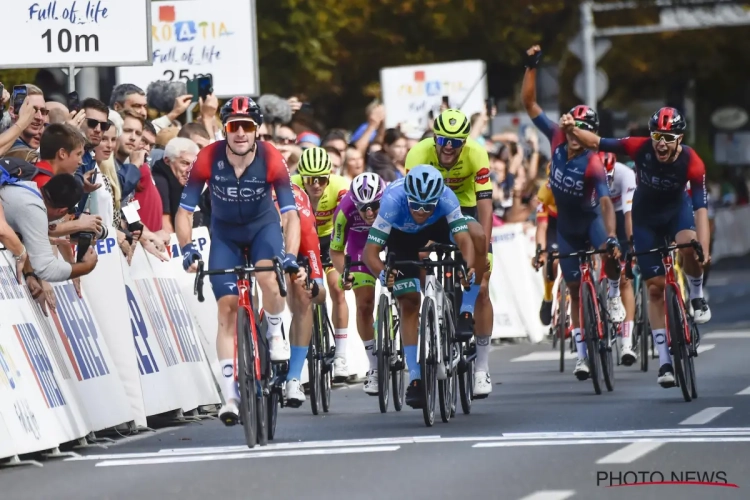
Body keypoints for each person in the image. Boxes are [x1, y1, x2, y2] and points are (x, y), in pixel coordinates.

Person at [561, 106, 711, 387]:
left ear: (679, 138)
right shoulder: (639, 147)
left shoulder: (693, 162)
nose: (661, 143)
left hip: (676, 213)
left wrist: (704, 247)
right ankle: (665, 361)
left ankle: (697, 293)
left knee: (690, 247)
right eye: (657, 136)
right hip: (645, 219)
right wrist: (571, 129)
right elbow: (596, 142)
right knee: (654, 287)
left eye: (668, 137)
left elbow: (701, 208)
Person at [175, 96, 301, 425]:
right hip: (226, 235)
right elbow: (184, 212)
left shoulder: (272, 158)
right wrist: (187, 247)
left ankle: (274, 332)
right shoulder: (207, 157)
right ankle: (230, 394)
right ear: (225, 130)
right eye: (234, 126)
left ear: (256, 131)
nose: (241, 133)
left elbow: (290, 214)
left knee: (265, 276)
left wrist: (289, 255)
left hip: (263, 229)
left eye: (247, 126)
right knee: (227, 306)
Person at [522, 44, 624, 381]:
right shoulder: (554, 137)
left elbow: (607, 203)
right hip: (565, 226)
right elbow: (530, 104)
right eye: (571, 131)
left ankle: (611, 293)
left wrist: (610, 237)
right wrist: (531, 66)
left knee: (610, 256)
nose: (575, 138)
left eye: (583, 133)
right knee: (575, 285)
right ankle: (582, 355)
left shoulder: (594, 162)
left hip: (592, 220)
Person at [362, 166, 477, 407]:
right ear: (408, 198)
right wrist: (383, 274)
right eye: (416, 205)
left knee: (477, 235)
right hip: (401, 238)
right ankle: (415, 377)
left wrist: (467, 266)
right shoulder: (393, 201)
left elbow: (464, 239)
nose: (422, 212)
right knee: (410, 301)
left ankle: (466, 308)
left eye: (428, 206)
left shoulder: (446, 198)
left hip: (438, 229)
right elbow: (369, 253)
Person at [404, 108, 494, 397]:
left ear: (464, 142)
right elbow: (410, 204)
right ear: (435, 137)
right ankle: (427, 317)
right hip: (428, 211)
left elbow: (485, 204)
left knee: (482, 288)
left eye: (455, 142)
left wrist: (485, 247)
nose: (448, 147)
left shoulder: (477, 154)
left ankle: (481, 367)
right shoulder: (417, 154)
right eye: (442, 139)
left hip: (464, 209)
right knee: (416, 259)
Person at [291, 147, 352, 382]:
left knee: (337, 289)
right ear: (301, 177)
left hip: (330, 240)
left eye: (322, 179)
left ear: (330, 175)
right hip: (302, 240)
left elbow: (345, 224)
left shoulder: (339, 186)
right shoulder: (291, 186)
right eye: (310, 179)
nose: (316, 185)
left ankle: (341, 355)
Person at [329, 172, 386, 394]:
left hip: (389, 245)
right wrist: (346, 274)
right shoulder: (344, 209)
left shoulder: (393, 201)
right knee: (363, 304)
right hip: (360, 248)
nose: (369, 212)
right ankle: (373, 366)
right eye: (364, 208)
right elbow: (335, 250)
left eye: (374, 205)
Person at [274, 182, 325, 407]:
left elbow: (321, 295)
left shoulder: (303, 225)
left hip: (298, 244)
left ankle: (294, 377)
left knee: (304, 295)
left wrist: (312, 286)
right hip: (258, 240)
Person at [0, 173, 98, 282]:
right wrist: (87, 266)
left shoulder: (27, 186)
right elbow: (47, 269)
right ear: (62, 211)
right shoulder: (34, 211)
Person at [599, 151, 638, 365]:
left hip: (622, 212)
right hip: (599, 213)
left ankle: (626, 341)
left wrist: (632, 245)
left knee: (625, 278)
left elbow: (629, 215)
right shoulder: (591, 175)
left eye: (609, 176)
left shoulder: (625, 174)